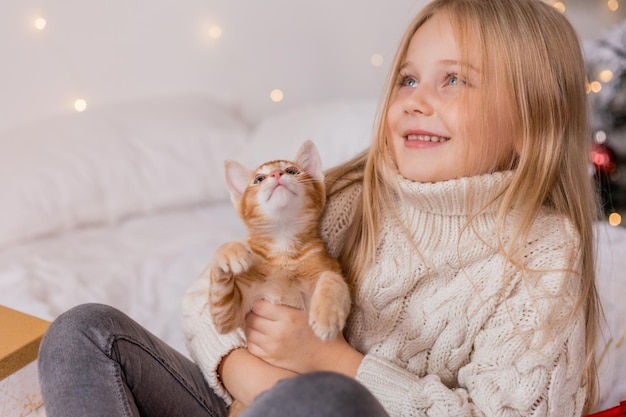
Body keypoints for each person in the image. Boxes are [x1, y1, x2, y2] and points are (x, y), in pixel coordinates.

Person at [38, 0, 601, 416]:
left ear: (532, 120)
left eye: (453, 79)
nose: (415, 99)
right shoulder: (351, 195)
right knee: (82, 332)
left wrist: (329, 361)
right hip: (252, 403)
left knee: (322, 398)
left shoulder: (544, 255)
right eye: (407, 78)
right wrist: (249, 375)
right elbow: (199, 304)